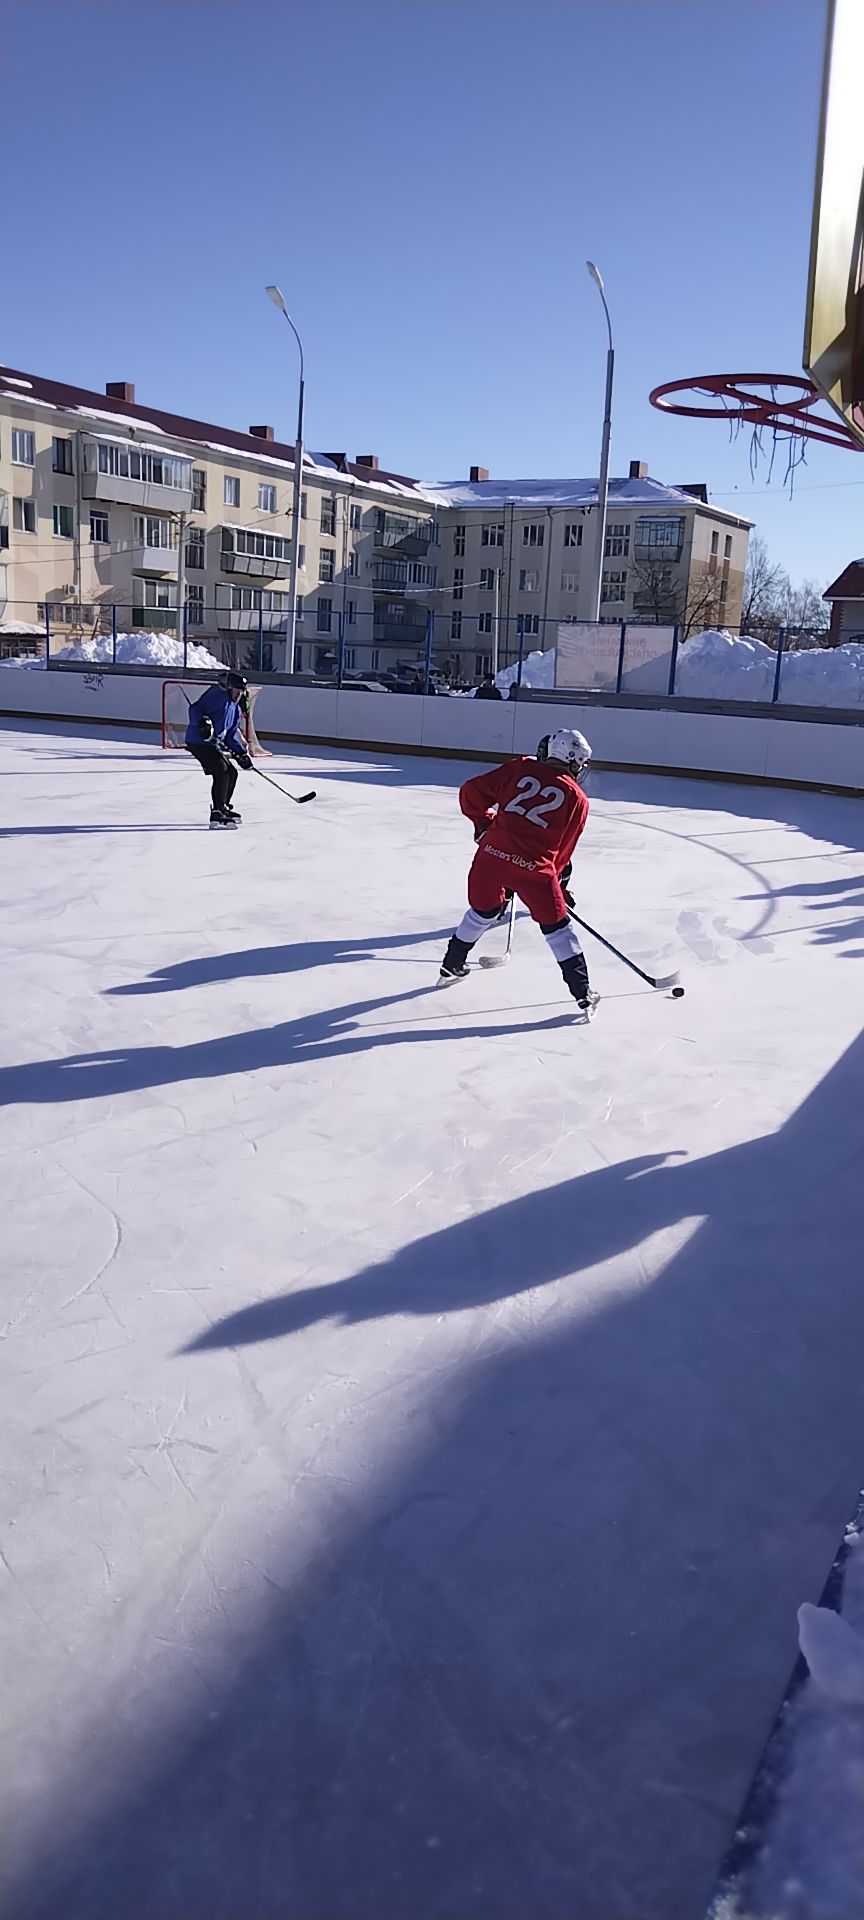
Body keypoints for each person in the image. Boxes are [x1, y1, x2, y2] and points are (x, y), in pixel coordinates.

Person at [439, 728, 598, 1018]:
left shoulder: (520, 767)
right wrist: (558, 888)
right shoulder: (577, 799)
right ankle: (583, 994)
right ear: (573, 761)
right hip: (535, 872)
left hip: (490, 859)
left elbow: (470, 793)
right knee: (558, 930)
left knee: (482, 912)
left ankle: (452, 964)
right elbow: (564, 852)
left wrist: (481, 822)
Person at [185, 671, 253, 829]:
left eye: (241, 692)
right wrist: (200, 722)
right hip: (198, 741)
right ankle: (217, 811)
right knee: (221, 771)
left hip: (213, 744)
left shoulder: (235, 710)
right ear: (228, 689)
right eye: (236, 691)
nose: (238, 695)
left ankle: (223, 807)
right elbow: (195, 709)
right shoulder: (217, 697)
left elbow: (229, 737)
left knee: (232, 772)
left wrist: (241, 754)